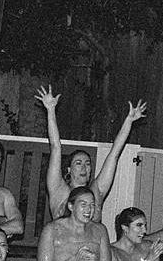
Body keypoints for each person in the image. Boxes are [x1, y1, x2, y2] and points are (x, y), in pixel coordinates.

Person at [35, 86, 147, 220]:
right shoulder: (59, 190)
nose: (84, 167)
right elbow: (55, 147)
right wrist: (51, 110)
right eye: (78, 163)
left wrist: (129, 121)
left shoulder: (96, 191)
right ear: (69, 170)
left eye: (87, 164)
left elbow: (114, 154)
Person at [38, 186, 112, 261]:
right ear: (71, 206)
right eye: (83, 205)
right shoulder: (53, 230)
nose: (88, 210)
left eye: (92, 205)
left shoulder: (100, 231)